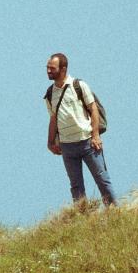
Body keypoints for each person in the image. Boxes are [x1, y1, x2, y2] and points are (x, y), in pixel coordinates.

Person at [44, 52, 115, 207]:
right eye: (47, 68)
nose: (48, 71)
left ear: (63, 69)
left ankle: (114, 212)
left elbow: (93, 109)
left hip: (87, 142)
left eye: (52, 68)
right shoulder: (50, 94)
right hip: (67, 146)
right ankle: (81, 218)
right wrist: (50, 142)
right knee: (76, 187)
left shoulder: (78, 85)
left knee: (102, 179)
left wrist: (95, 135)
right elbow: (53, 119)